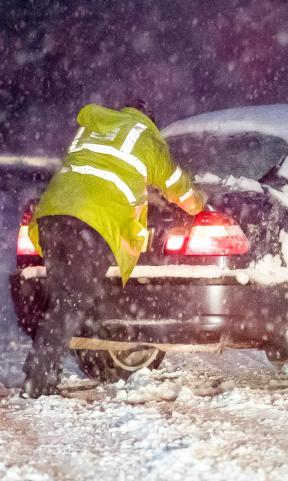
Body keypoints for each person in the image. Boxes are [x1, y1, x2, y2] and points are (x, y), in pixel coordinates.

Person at [21, 100, 205, 398]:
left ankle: (44, 370)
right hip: (94, 221)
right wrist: (198, 203)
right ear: (150, 122)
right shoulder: (146, 140)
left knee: (63, 298)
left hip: (53, 213)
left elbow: (90, 170)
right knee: (72, 301)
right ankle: (38, 380)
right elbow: (177, 186)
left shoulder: (94, 129)